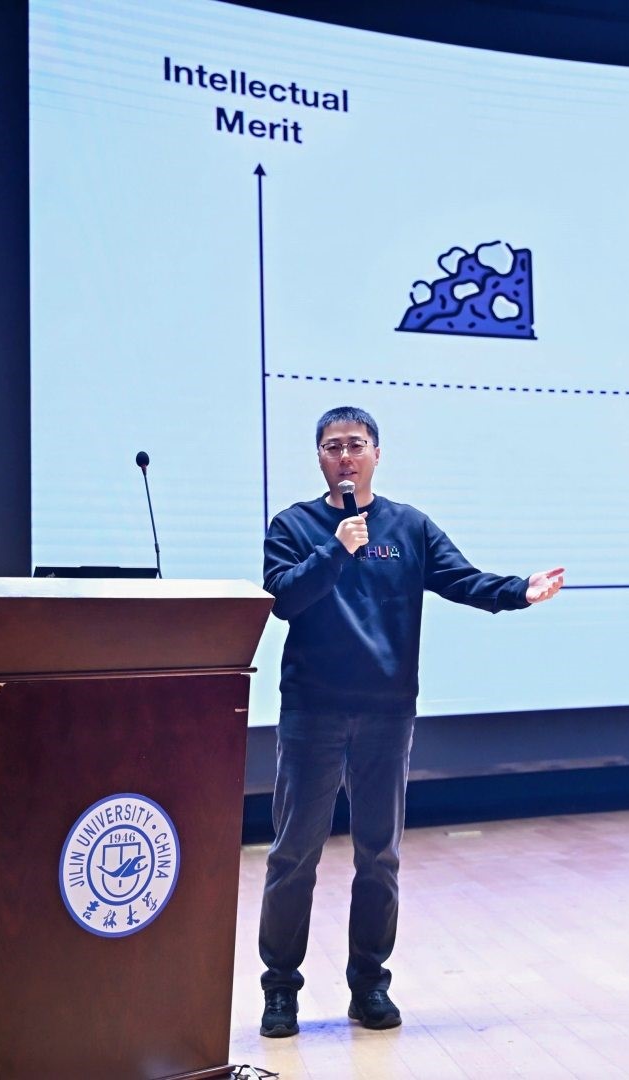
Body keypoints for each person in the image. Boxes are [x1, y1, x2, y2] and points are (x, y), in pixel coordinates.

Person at [257, 405, 564, 1037]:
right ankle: (280, 990)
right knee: (294, 853)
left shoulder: (409, 526)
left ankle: (369, 984)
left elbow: (462, 580)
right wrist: (336, 550)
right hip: (312, 711)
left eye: (357, 444)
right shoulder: (294, 525)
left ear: (376, 453)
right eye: (333, 446)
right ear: (319, 457)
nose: (346, 456)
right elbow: (283, 599)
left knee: (379, 855)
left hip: (386, 713)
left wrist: (518, 590)